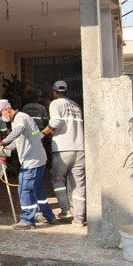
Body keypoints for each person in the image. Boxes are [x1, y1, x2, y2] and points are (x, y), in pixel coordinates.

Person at [0, 99, 56, 229]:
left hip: (31, 161)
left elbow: (18, 130)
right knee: (37, 190)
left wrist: (3, 141)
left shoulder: (20, 119)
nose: (1, 118)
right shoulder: (21, 119)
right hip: (38, 159)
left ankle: (28, 219)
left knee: (25, 189)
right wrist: (4, 152)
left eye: (1, 114)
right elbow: (18, 142)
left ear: (6, 109)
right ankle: (47, 215)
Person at [41, 80, 86, 226]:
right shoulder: (75, 105)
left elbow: (55, 122)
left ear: (54, 92)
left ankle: (65, 210)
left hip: (62, 148)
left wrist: (41, 134)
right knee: (78, 185)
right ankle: (79, 218)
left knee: (58, 179)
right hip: (79, 148)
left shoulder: (56, 103)